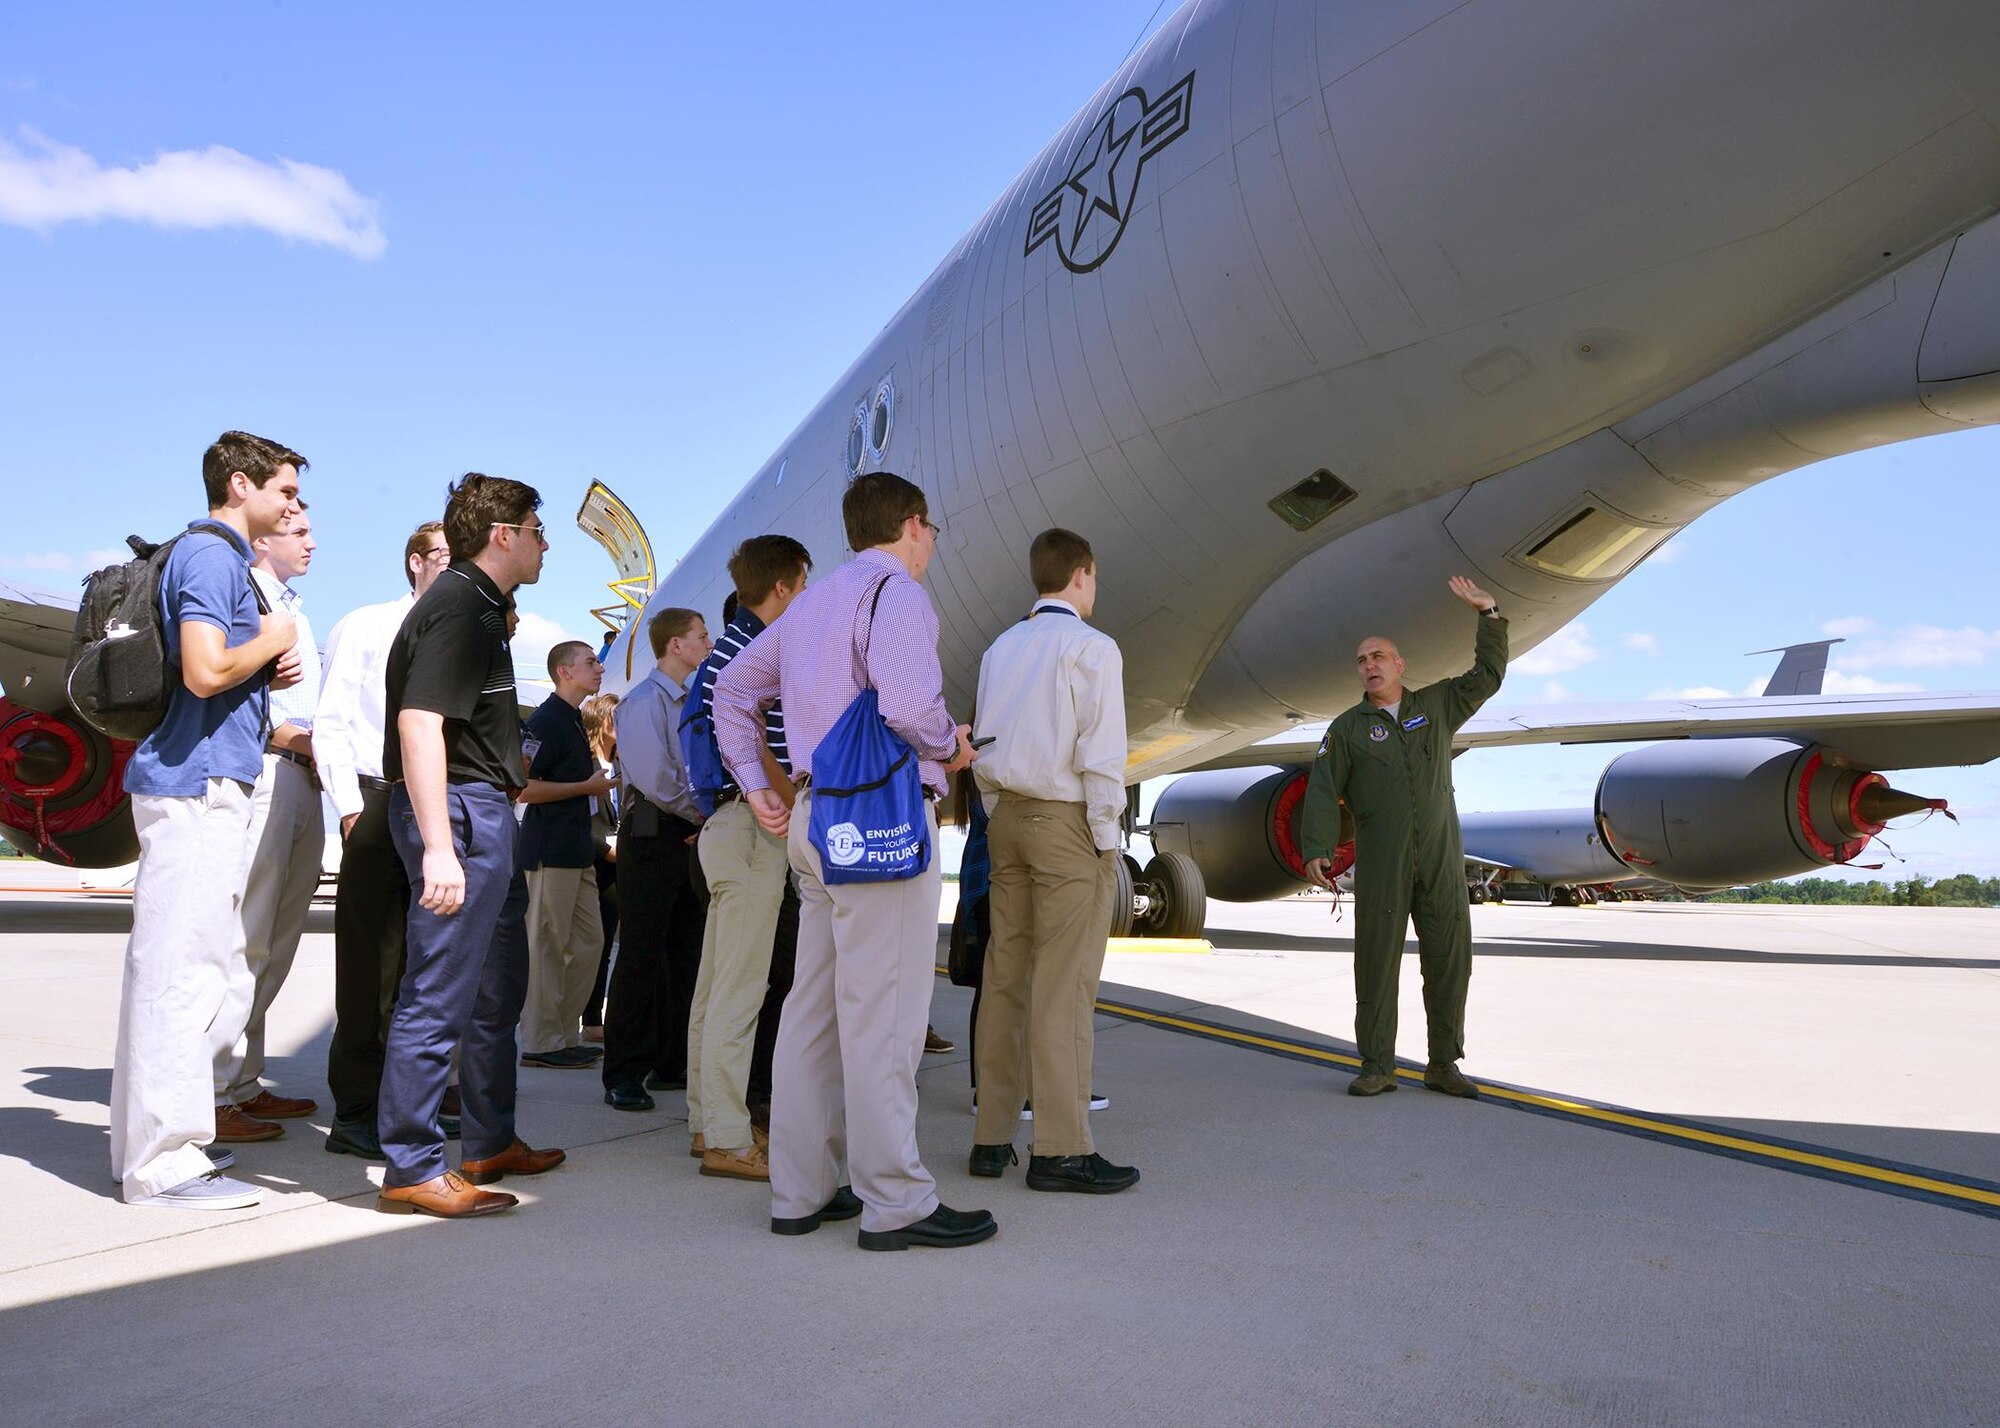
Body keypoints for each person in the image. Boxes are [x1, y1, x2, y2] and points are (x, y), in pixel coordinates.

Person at [713, 470, 993, 1251]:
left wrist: (755, 785)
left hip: (812, 815)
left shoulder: (811, 605)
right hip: (878, 816)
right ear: (912, 525)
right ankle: (895, 1200)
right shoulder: (896, 594)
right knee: (886, 1014)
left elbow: (733, 691)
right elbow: (906, 708)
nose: (932, 542)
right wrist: (952, 746)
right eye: (931, 527)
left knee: (811, 1011)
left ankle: (801, 1190)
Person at [109, 430, 304, 1209]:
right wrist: (273, 638)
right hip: (197, 788)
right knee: (182, 978)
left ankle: (147, 1152)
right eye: (284, 491)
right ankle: (164, 1164)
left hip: (196, 782)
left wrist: (263, 653)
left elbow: (223, 665)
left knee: (173, 972)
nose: (293, 506)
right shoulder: (215, 556)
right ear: (238, 484)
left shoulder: (213, 558)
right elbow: (204, 668)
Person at [375, 474, 565, 1217]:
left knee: (492, 992)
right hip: (457, 815)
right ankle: (412, 1166)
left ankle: (488, 1139)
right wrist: (439, 850)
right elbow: (420, 725)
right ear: (504, 535)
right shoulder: (459, 607)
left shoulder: (479, 607)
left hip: (483, 810)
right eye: (537, 529)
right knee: (438, 994)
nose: (544, 542)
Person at [967, 529, 1136, 1193]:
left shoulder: (999, 648)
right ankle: (1061, 1148)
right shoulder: (1091, 648)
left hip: (1004, 819)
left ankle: (990, 1139)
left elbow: (981, 743)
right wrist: (1105, 836)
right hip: (1064, 823)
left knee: (1007, 976)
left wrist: (993, 811)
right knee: (1065, 986)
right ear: (1082, 575)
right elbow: (1101, 754)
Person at [1300, 576, 1508, 1099]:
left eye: (1378, 656)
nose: (1369, 665)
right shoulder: (1346, 729)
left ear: (1399, 665)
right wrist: (1317, 850)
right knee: (1375, 964)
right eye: (1361, 660)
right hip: (1383, 862)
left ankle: (1444, 1064)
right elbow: (1323, 789)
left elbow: (1488, 675)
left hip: (1439, 860)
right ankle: (1376, 1065)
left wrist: (1488, 615)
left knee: (1449, 961)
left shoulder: (1436, 706)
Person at [315, 521, 451, 1159]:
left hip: (436, 805)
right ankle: (356, 1114)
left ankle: (407, 1107)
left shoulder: (459, 631)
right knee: (371, 967)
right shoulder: (367, 625)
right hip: (375, 797)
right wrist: (348, 809)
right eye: (445, 554)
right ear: (415, 562)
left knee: (424, 967)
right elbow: (333, 721)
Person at [683, 535, 810, 1181]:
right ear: (784, 586)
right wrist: (793, 805)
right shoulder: (759, 650)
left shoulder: (726, 646)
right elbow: (753, 738)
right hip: (755, 828)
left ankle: (710, 1121)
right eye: (805, 584)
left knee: (716, 987)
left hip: (725, 825)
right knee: (741, 990)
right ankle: (729, 1138)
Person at [209, 502, 326, 1140]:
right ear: (264, 542)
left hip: (305, 780)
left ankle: (244, 1081)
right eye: (299, 532)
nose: (312, 542)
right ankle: (213, 1090)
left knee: (276, 942)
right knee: (247, 937)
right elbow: (254, 709)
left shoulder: (294, 612)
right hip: (272, 772)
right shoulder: (248, 599)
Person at [602, 607, 711, 1112]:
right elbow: (658, 779)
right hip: (654, 836)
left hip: (683, 833)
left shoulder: (689, 700)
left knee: (684, 952)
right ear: (675, 645)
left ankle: (671, 1059)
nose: (708, 643)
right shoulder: (645, 702)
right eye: (701, 636)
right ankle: (624, 1070)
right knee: (642, 954)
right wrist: (700, 815)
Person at [516, 640, 615, 1069]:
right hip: (549, 851)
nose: (599, 668)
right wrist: (585, 788)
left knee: (591, 944)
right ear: (564, 672)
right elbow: (523, 788)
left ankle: (560, 1031)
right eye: (590, 662)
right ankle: (541, 1041)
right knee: (546, 947)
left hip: (576, 852)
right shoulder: (545, 722)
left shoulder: (573, 720)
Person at [578, 692, 621, 1044]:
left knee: (605, 943)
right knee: (592, 943)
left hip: (622, 866)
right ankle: (589, 1015)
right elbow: (584, 820)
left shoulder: (624, 763)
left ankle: (593, 1014)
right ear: (603, 721)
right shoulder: (587, 764)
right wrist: (609, 848)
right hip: (594, 863)